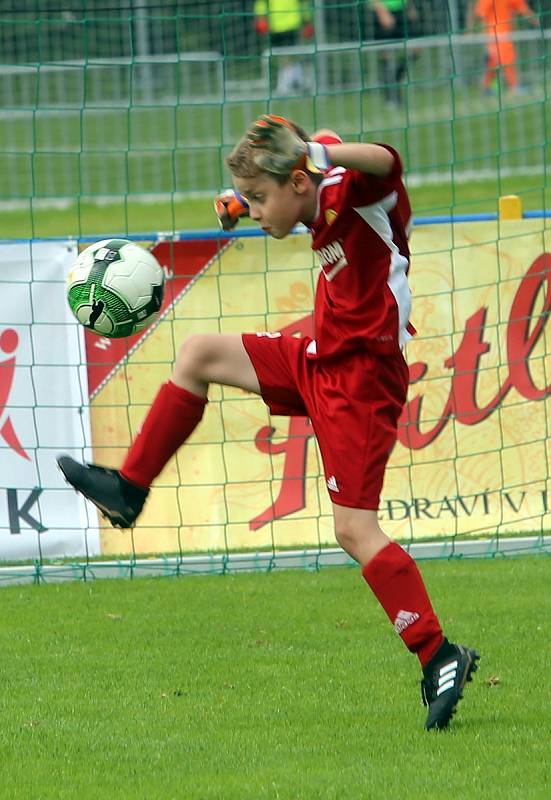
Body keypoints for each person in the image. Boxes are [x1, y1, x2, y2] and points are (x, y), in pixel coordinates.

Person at [58, 114, 479, 731]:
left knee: (354, 531)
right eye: (248, 200)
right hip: (318, 352)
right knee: (197, 353)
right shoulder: (309, 184)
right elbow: (307, 166)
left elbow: (387, 160)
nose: (253, 213)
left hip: (361, 382)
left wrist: (307, 152)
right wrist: (244, 191)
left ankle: (439, 655)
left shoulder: (350, 188)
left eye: (259, 199)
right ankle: (128, 490)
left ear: (301, 183)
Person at [471, 0, 539, 94]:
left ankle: (485, 87)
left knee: (493, 61)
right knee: (506, 59)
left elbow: (523, 8)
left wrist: (535, 20)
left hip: (504, 32)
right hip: (494, 33)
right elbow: (481, 14)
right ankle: (514, 87)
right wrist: (484, 36)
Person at [254, 0, 314, 95]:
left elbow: (304, 3)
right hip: (275, 25)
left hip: (292, 23)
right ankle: (291, 83)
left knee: (291, 55)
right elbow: (261, 3)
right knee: (282, 56)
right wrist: (261, 18)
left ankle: (288, 84)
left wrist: (307, 20)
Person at [369, 0, 419, 106]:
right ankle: (391, 97)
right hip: (384, 10)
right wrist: (381, 11)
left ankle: (396, 79)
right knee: (387, 54)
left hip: (402, 9)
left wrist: (410, 6)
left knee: (417, 47)